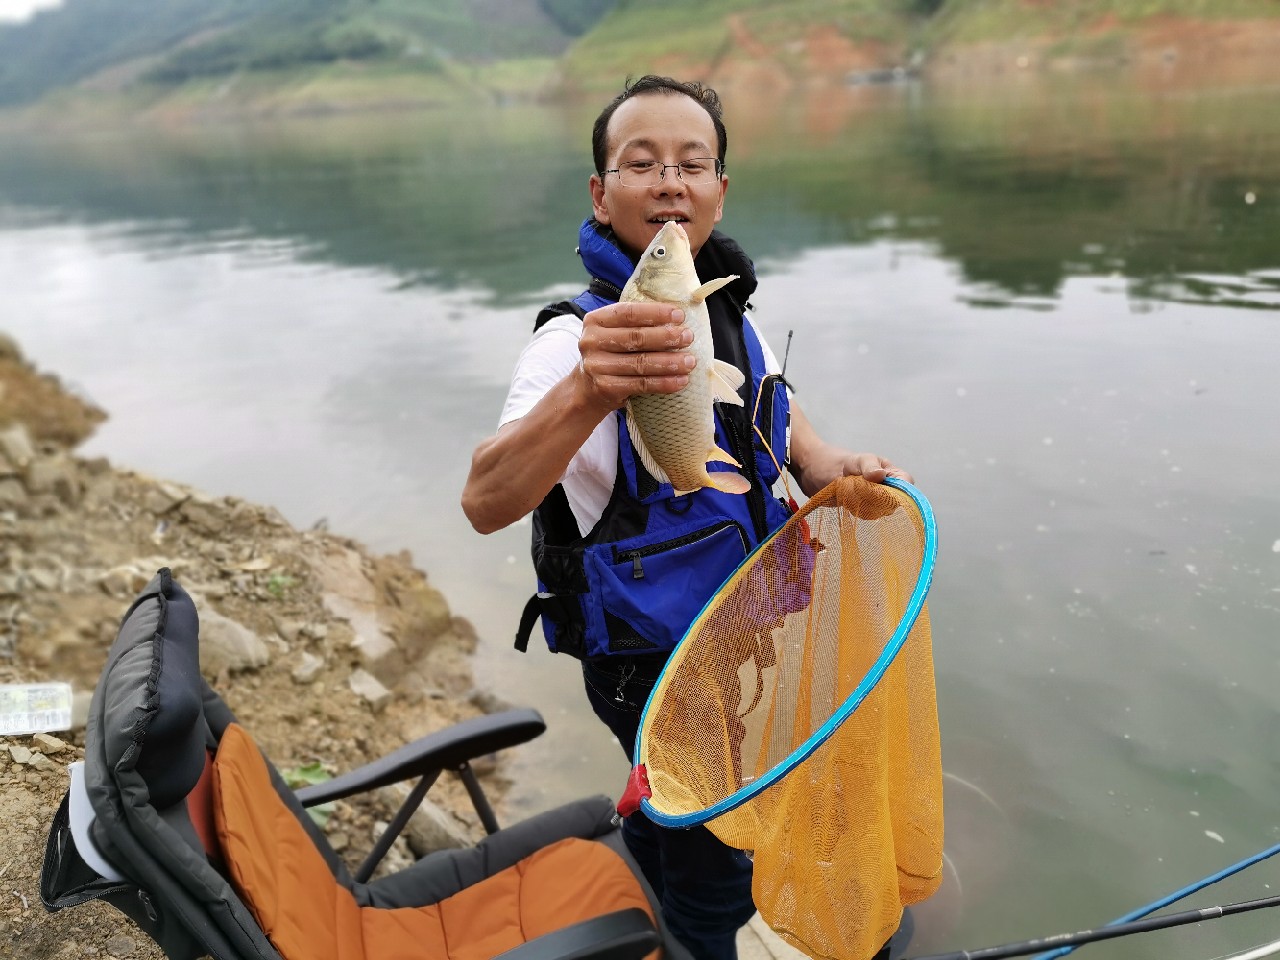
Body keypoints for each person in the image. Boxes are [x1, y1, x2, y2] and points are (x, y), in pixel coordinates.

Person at [462, 75, 912, 960]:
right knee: (716, 871)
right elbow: (484, 501)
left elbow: (782, 423)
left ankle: (645, 859)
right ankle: (694, 937)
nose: (670, 181)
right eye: (641, 164)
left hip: (747, 642)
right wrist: (592, 387)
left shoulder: (722, 306)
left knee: (684, 824)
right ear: (601, 193)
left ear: (718, 191)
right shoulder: (571, 342)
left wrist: (833, 467)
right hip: (654, 668)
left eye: (691, 163)